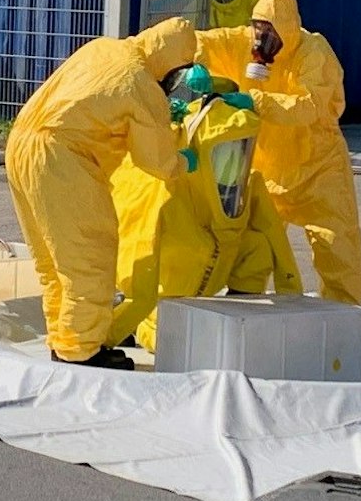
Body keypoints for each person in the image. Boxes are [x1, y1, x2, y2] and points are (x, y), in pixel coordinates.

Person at [7, 18, 198, 368]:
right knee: (89, 255)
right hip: (62, 157)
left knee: (54, 260)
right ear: (173, 64)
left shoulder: (105, 48)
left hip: (21, 142)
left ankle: (65, 339)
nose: (175, 83)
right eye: (179, 74)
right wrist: (184, 161)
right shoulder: (142, 84)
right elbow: (156, 161)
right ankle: (81, 350)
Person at [196, 0, 361, 304]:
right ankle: (244, 309)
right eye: (258, 29)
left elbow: (309, 106)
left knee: (335, 244)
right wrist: (189, 64)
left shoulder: (314, 52)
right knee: (252, 243)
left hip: (317, 168)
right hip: (266, 170)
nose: (261, 40)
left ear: (288, 29)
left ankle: (345, 316)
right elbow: (197, 42)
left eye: (270, 31)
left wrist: (254, 101)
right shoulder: (240, 43)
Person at [107, 86, 303, 353]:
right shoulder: (163, 191)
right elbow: (135, 254)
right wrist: (117, 330)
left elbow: (274, 240)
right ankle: (139, 327)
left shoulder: (246, 186)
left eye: (240, 150)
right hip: (165, 284)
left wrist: (293, 303)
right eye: (225, 152)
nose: (234, 162)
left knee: (256, 247)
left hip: (214, 257)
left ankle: (236, 314)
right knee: (165, 335)